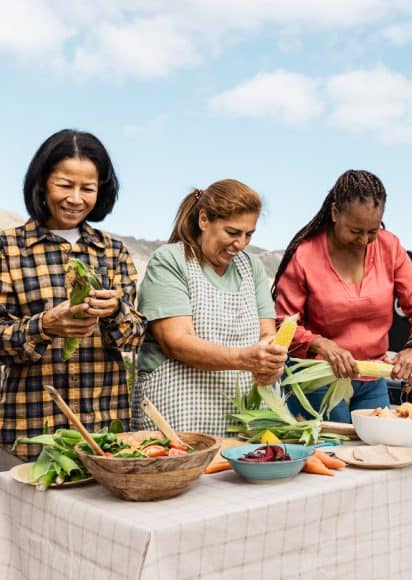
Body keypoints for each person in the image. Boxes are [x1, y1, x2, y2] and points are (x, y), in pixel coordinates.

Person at [0, 129, 146, 464]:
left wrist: (115, 312)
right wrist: (45, 326)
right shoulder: (7, 249)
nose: (76, 198)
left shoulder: (113, 252)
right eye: (65, 185)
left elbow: (135, 338)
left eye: (88, 188)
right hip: (30, 432)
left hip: (104, 434)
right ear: (42, 182)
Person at [272, 169, 412, 422]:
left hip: (373, 381)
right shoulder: (305, 256)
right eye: (355, 231)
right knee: (336, 455)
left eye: (372, 231)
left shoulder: (389, 246)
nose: (364, 240)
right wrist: (322, 344)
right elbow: (282, 325)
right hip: (319, 379)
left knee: (380, 449)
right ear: (335, 212)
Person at [131, 179, 287, 436]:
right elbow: (176, 341)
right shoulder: (170, 260)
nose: (241, 244)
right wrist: (246, 359)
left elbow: (267, 335)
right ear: (204, 220)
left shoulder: (253, 267)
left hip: (243, 420)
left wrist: (271, 363)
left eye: (249, 234)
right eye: (232, 232)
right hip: (179, 416)